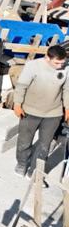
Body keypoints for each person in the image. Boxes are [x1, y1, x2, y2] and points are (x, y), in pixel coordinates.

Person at [10, 44, 69, 176]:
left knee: (44, 145)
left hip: (53, 114)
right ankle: (22, 164)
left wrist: (67, 108)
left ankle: (35, 170)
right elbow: (21, 86)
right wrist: (17, 104)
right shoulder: (33, 66)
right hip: (30, 112)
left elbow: (67, 90)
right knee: (24, 142)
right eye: (57, 63)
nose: (60, 66)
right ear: (47, 58)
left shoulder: (66, 69)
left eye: (63, 63)